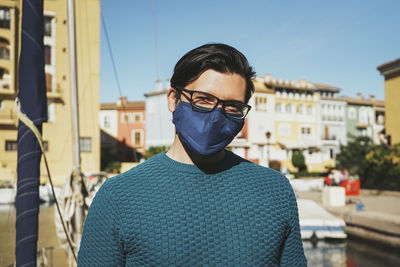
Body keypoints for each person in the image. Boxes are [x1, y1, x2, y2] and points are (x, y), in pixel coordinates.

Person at [78, 43, 307, 266]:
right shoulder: (118, 197)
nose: (217, 115)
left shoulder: (276, 191)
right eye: (204, 99)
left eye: (232, 106)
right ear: (172, 99)